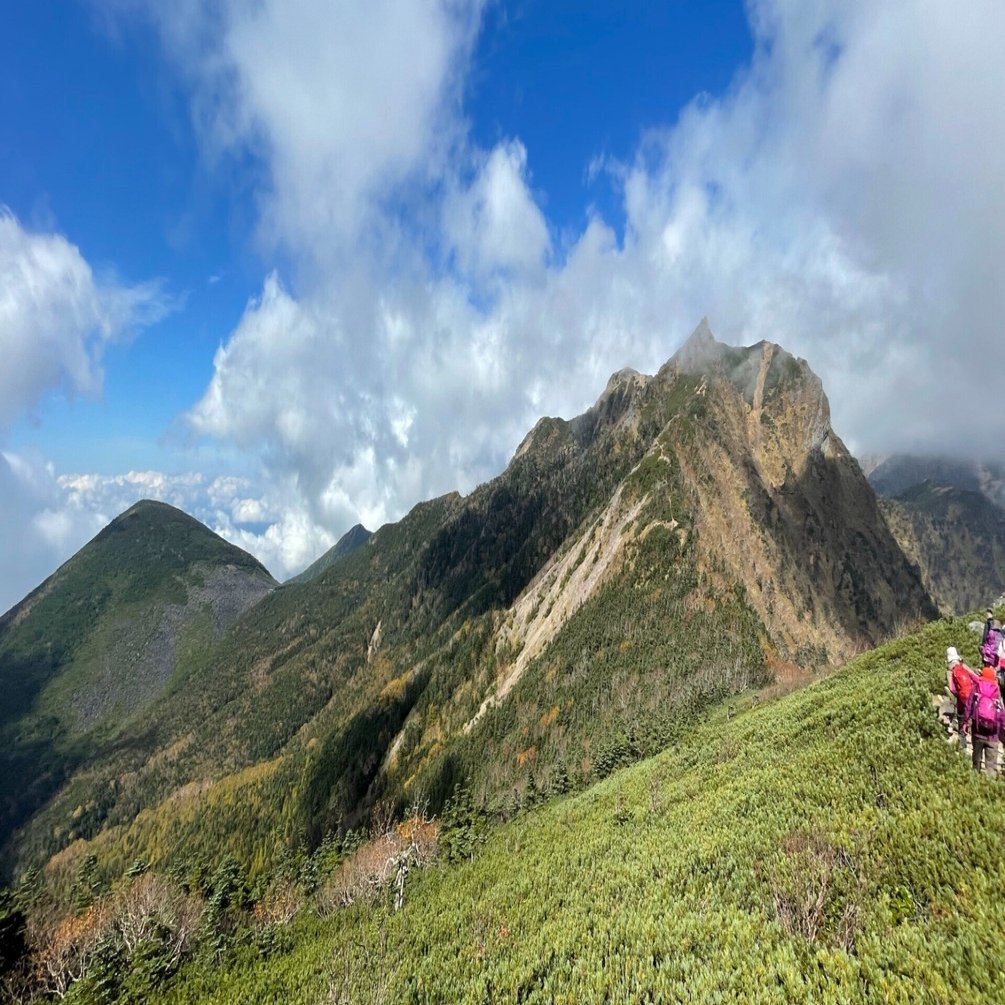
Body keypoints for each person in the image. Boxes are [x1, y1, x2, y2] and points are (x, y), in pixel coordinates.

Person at [966, 665, 1005, 778]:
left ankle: (973, 784)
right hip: (992, 736)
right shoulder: (996, 691)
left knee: (976, 761)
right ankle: (989, 788)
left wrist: (965, 723)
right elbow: (1001, 713)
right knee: (991, 766)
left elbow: (969, 706)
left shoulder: (976, 688)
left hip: (977, 732)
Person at [947, 647, 978, 751]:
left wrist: (959, 694)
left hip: (962, 700)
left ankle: (963, 745)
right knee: (973, 720)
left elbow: (952, 688)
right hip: (972, 699)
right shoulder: (963, 666)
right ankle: (976, 746)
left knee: (961, 721)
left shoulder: (950, 671)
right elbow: (976, 678)